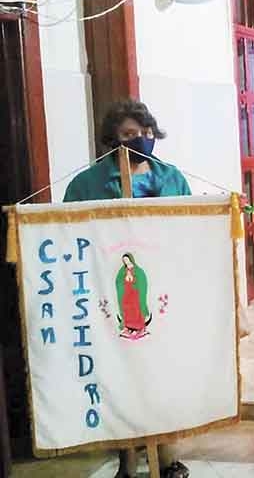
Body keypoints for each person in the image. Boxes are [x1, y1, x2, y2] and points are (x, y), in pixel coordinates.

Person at [64, 100, 190, 478]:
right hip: (113, 292)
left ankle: (168, 456)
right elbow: (71, 232)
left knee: (162, 376)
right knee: (121, 376)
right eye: (129, 135)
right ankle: (126, 461)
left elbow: (189, 228)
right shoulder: (87, 184)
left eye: (145, 133)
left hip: (163, 290)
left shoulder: (170, 177)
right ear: (112, 140)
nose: (140, 140)